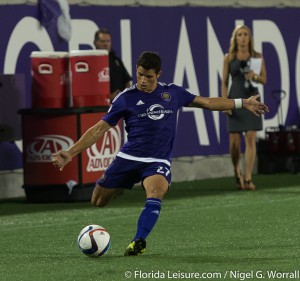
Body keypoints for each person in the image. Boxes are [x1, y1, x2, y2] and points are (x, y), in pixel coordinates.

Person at [52, 51, 268, 256]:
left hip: (157, 160)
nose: (143, 81)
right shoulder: (125, 98)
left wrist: (243, 102)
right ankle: (121, 186)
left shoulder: (172, 93)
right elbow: (98, 130)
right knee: (98, 201)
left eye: (148, 77)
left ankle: (138, 241)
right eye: (139, 75)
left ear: (158, 75)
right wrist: (70, 152)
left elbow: (208, 102)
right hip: (129, 157)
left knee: (156, 193)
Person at [221, 25, 267, 191]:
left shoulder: (257, 56)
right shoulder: (229, 57)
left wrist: (254, 76)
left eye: (245, 34)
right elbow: (225, 82)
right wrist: (224, 103)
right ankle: (236, 172)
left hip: (252, 99)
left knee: (250, 137)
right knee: (234, 143)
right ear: (235, 38)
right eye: (239, 34)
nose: (242, 37)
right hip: (235, 99)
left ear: (249, 37)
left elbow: (264, 80)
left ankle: (248, 177)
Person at [94, 28, 132, 101]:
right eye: (102, 41)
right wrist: (109, 97)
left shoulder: (116, 60)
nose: (106, 44)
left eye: (108, 41)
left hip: (119, 104)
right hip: (101, 105)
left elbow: (127, 81)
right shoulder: (92, 62)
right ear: (95, 43)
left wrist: (123, 95)